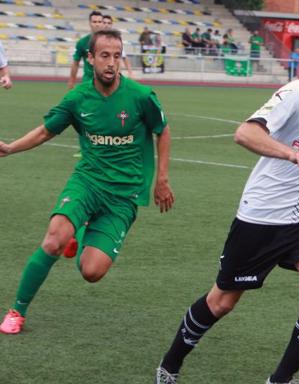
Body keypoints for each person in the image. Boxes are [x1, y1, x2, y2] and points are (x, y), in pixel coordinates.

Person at [155, 28, 299, 384]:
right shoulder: (298, 93)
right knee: (221, 302)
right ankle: (169, 367)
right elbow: (245, 133)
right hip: (263, 218)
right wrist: (294, 154)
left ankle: (280, 380)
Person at [0, 29, 175, 335]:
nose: (111, 63)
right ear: (90, 58)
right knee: (54, 239)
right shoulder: (77, 99)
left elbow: (163, 130)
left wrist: (161, 179)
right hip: (88, 181)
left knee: (91, 272)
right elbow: (45, 131)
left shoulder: (141, 97)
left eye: (117, 56)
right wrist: (11, 148)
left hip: (124, 194)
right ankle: (18, 310)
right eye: (104, 55)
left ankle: (79, 236)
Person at [67, 11, 103, 90]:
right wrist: (72, 80)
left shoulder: (110, 42)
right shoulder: (82, 42)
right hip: (88, 83)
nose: (97, 24)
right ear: (90, 23)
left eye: (99, 22)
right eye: (94, 22)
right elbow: (76, 63)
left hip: (105, 82)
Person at [102, 14, 133, 78]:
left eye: (109, 23)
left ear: (111, 25)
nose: (106, 25)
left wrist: (130, 72)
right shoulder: (95, 39)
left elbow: (124, 57)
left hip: (115, 74)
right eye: (104, 23)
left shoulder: (116, 39)